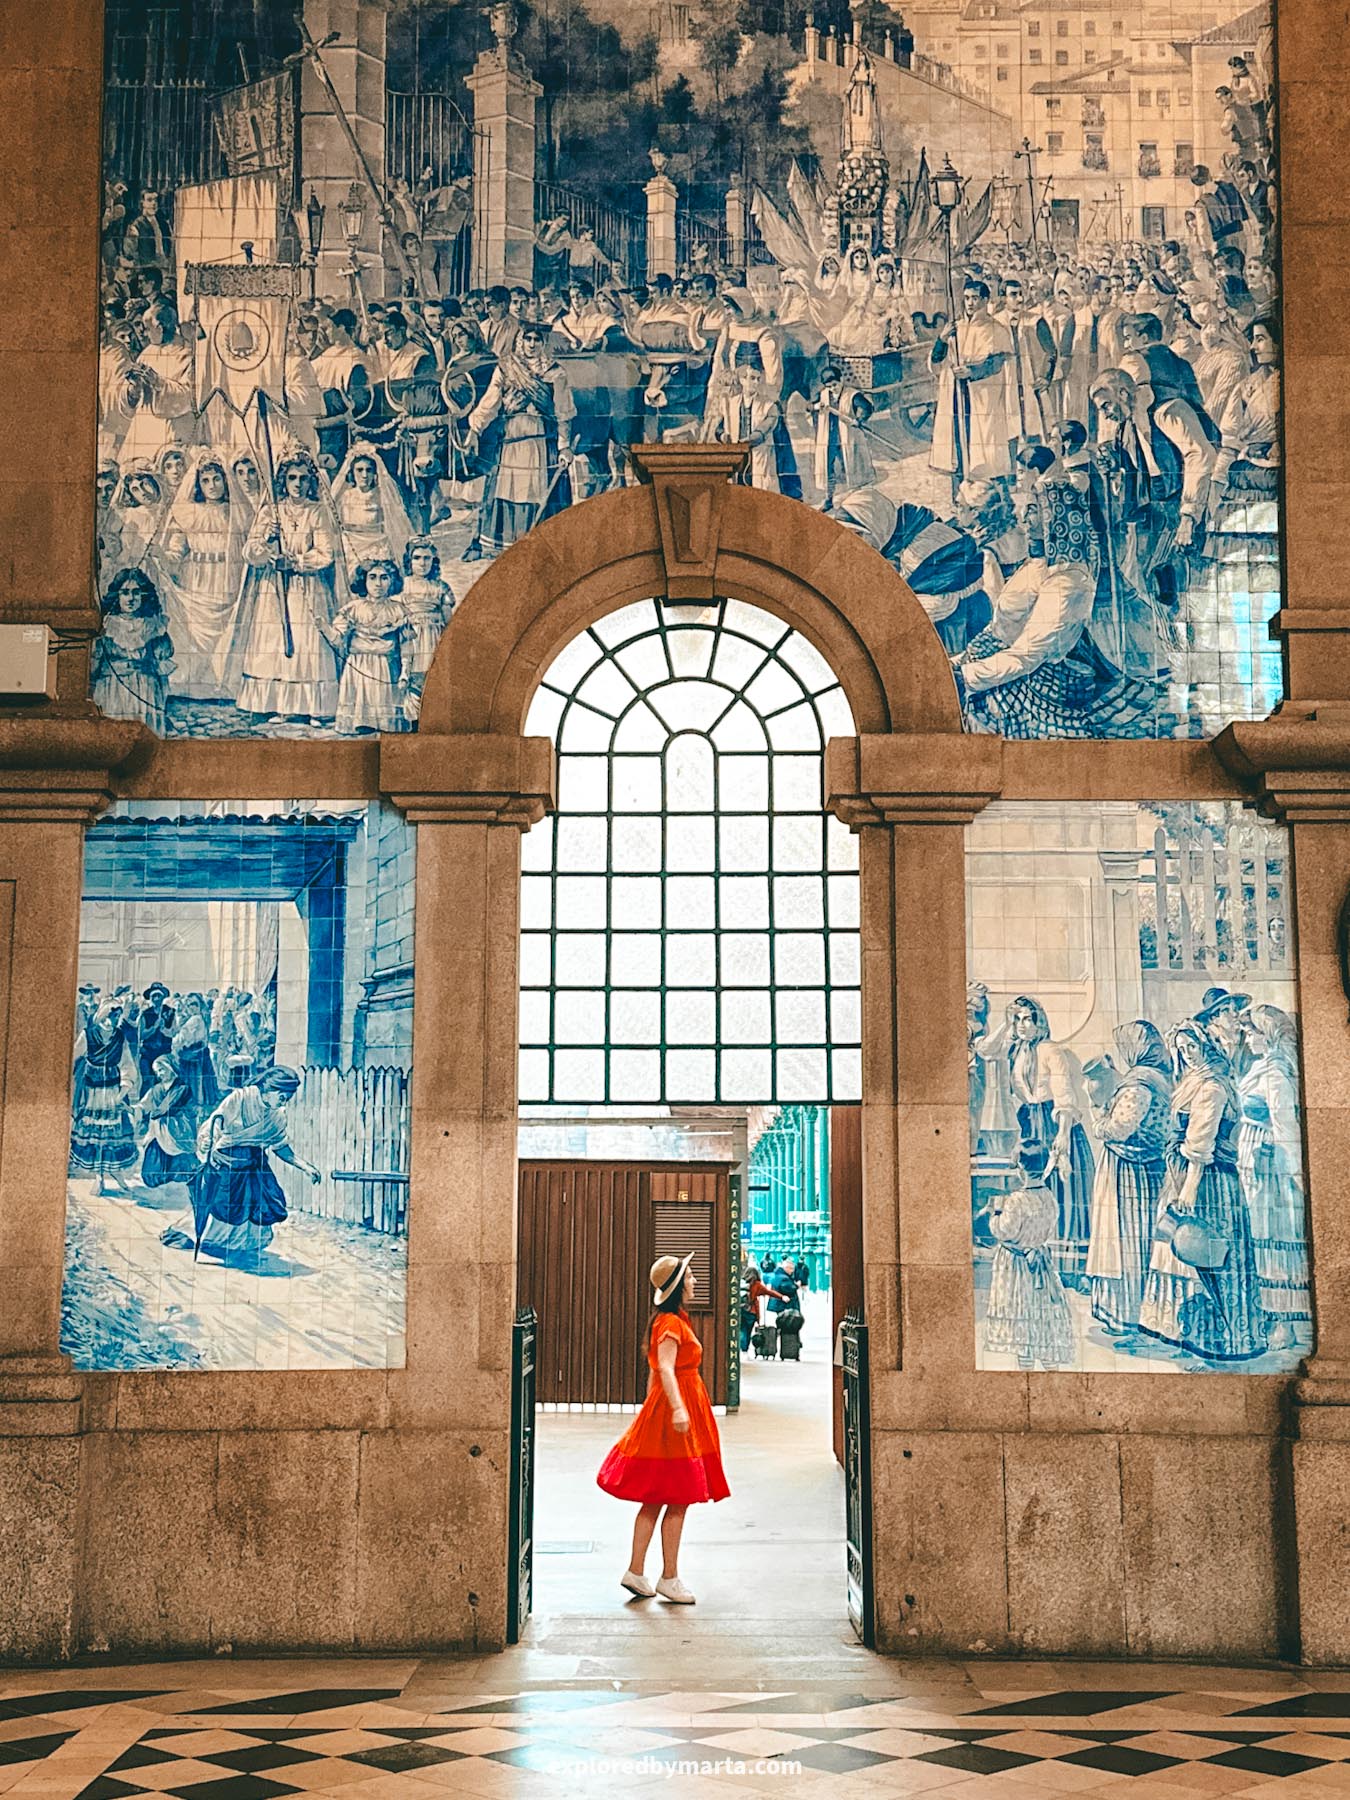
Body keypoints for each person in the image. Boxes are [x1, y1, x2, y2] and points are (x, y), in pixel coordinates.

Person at [597, 1253, 729, 1605]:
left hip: (667, 1407)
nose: (695, 1282)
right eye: (690, 1277)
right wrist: (679, 1409)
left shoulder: (668, 1321)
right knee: (679, 1495)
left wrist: (654, 1408)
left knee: (655, 1496)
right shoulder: (672, 1323)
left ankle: (637, 1570)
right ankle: (669, 1577)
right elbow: (667, 1369)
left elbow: (656, 1373)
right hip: (677, 1408)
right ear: (678, 1286)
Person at [1138, 1020, 1266, 1362]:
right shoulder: (1192, 1080)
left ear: (1206, 1046)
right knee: (1183, 1252)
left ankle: (1220, 1342)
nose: (1187, 1054)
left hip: (1208, 1182)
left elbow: (1200, 1144)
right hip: (1186, 1175)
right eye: (1181, 1049)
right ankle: (1189, 1334)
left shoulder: (1212, 1086)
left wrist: (1188, 1190)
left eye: (1192, 1047)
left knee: (1204, 1254)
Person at [234, 456, 341, 724]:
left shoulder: (317, 511)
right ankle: (280, 705)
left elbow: (326, 553)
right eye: (292, 477)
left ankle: (314, 708)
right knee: (274, 642)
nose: (297, 484)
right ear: (283, 480)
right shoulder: (271, 511)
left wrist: (295, 561)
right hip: (274, 588)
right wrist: (267, 540)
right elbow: (249, 552)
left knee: (307, 642)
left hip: (306, 587)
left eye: (303, 478)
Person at [177, 1065, 320, 1264]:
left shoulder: (277, 1115)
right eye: (282, 1096)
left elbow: (280, 1146)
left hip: (255, 1164)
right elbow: (216, 1122)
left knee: (260, 1203)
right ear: (269, 1089)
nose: (284, 1102)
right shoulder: (241, 1098)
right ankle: (211, 1246)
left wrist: (305, 1166)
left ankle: (244, 1247)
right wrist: (209, 1144)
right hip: (228, 1160)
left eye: (287, 1098)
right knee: (226, 1204)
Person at [1085, 1020, 1173, 1335]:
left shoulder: (1138, 1084)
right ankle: (1143, 1314)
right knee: (1143, 1239)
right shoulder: (1163, 1077)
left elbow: (1117, 1129)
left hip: (1127, 1170)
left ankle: (1126, 1315)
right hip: (1151, 1166)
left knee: (1126, 1241)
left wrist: (1096, 1113)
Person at [1003, 994, 1095, 1289]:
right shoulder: (1016, 1052)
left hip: (1055, 1124)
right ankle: (1039, 1263)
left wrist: (1062, 1136)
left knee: (1064, 1194)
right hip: (1031, 1125)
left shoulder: (1050, 1050)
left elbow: (1064, 1094)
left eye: (1028, 1019)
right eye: (1017, 1019)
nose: (1022, 1025)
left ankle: (1070, 1269)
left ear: (1039, 1021)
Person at [1236, 1003, 1309, 1351]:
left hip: (1271, 1167)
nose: (1247, 1037)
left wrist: (1295, 1175)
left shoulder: (1277, 1073)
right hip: (1252, 1158)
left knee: (1273, 1241)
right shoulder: (1259, 1067)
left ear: (1267, 1035)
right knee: (1257, 1239)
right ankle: (1268, 1316)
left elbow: (1285, 1128)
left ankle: (1284, 1325)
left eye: (1251, 1032)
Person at [156, 450, 247, 700]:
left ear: (226, 481)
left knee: (225, 631)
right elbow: (177, 550)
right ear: (198, 484)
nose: (212, 485)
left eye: (216, 479)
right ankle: (192, 683)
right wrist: (164, 555)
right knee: (194, 631)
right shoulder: (189, 512)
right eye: (205, 481)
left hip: (226, 577)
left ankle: (220, 683)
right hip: (196, 578)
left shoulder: (238, 512)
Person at [983, 1145, 1075, 1370]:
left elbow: (1004, 1231)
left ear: (1021, 1170)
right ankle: (1049, 1368)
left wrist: (994, 1214)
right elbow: (1048, 1227)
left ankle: (1026, 1370)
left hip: (1016, 1266)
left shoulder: (1016, 1200)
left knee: (1022, 1317)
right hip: (1041, 1263)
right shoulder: (1048, 1196)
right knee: (1042, 1321)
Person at [929, 279, 1012, 486]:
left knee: (984, 447)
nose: (970, 303)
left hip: (981, 394)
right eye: (966, 298)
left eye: (975, 298)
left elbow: (996, 363)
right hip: (956, 394)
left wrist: (971, 371)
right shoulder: (955, 328)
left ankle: (991, 491)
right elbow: (937, 361)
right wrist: (941, 339)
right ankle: (960, 492)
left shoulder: (995, 328)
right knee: (957, 444)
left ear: (985, 300)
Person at [320, 556, 414, 735]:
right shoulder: (353, 608)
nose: (378, 583)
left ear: (392, 581)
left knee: (386, 725)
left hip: (387, 667)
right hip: (358, 666)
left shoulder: (398, 610)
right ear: (363, 580)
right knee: (361, 722)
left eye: (384, 578)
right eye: (372, 577)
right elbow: (338, 639)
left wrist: (405, 672)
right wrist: (325, 628)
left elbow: (407, 645)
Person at [91, 567, 175, 734]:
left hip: (146, 689)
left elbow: (162, 666)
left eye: (136, 593)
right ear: (117, 596)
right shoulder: (107, 626)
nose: (131, 598)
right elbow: (93, 668)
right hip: (112, 689)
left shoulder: (153, 626)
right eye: (125, 593)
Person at [69, 994, 138, 1193]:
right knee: (95, 1135)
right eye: (109, 1017)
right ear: (102, 1015)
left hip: (113, 1092)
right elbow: (72, 1058)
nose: (112, 1021)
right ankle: (98, 1177)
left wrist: (123, 1091)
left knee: (113, 1136)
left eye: (116, 1018)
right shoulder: (88, 1035)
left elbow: (127, 1065)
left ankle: (116, 1173)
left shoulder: (120, 1037)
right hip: (92, 1093)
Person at [331, 441, 414, 577]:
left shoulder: (382, 496)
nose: (364, 475)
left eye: (369, 470)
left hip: (377, 547)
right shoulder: (345, 496)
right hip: (351, 548)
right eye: (359, 470)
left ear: (375, 473)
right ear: (352, 472)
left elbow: (394, 523)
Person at [399, 536, 454, 720]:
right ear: (409, 561)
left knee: (433, 678)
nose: (422, 563)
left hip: (433, 636)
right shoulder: (402, 585)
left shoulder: (440, 587)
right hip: (411, 637)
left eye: (427, 558)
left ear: (433, 561)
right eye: (417, 558)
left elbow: (449, 621)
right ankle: (413, 720)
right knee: (411, 679)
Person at [134, 1053, 199, 1189]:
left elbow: (165, 1108)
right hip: (158, 1132)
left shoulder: (182, 1088)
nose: (160, 1074)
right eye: (157, 1071)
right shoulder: (156, 1089)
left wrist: (154, 1114)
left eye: (162, 1070)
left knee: (186, 1171)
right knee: (150, 1177)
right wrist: (135, 1109)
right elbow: (144, 1105)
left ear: (171, 1068)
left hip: (177, 1132)